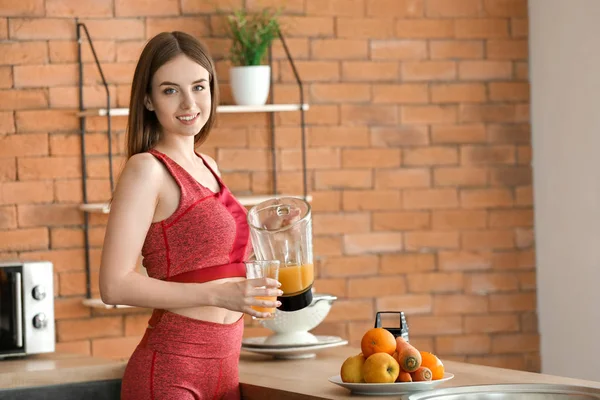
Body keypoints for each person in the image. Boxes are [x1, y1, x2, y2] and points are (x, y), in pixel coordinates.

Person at [98, 31, 282, 400]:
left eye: (199, 87)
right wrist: (218, 295)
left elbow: (209, 261)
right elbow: (113, 285)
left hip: (226, 368)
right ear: (148, 100)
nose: (189, 102)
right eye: (170, 90)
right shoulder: (146, 169)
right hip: (170, 371)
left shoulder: (207, 165)